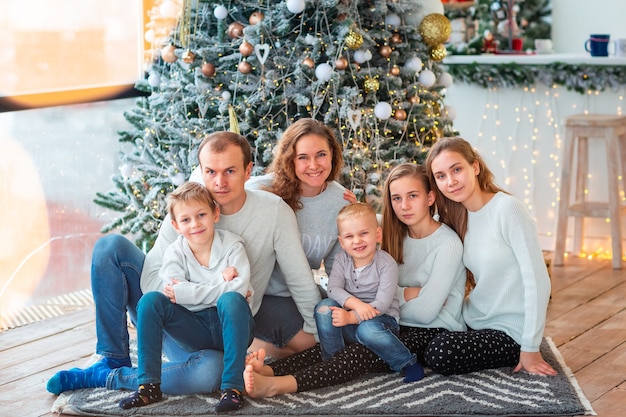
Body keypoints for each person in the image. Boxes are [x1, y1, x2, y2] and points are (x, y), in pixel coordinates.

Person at [46, 131, 321, 397]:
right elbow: (151, 279)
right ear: (201, 172)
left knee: (210, 373)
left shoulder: (273, 212)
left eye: (230, 171)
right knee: (110, 248)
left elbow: (299, 277)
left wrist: (323, 342)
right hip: (172, 316)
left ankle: (110, 378)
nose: (220, 182)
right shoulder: (189, 207)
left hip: (218, 331)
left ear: (248, 171)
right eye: (211, 172)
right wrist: (208, 290)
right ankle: (111, 358)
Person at [243, 163, 467, 397]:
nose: (405, 206)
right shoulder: (395, 232)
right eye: (396, 198)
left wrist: (368, 308)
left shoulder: (447, 244)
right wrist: (408, 292)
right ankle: (269, 370)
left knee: (358, 352)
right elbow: (362, 225)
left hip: (432, 330)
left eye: (413, 196)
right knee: (333, 338)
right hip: (379, 315)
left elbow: (425, 313)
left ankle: (277, 385)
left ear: (430, 197)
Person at [423, 136, 557, 376]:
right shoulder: (456, 215)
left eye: (457, 170)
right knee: (409, 335)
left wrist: (530, 347)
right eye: (441, 176)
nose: (451, 181)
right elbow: (416, 226)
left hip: (508, 332)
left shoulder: (507, 209)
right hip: (471, 319)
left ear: (475, 167)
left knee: (439, 353)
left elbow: (538, 281)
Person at [118, 182, 254, 412]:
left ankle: (232, 387)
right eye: (186, 220)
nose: (195, 224)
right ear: (176, 225)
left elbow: (238, 291)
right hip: (193, 328)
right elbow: (172, 292)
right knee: (150, 301)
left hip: (229, 327)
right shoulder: (175, 252)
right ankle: (148, 386)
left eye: (201, 215)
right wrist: (220, 282)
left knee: (231, 301)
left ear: (215, 214)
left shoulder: (233, 246)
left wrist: (186, 292)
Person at [244, 118, 355, 357]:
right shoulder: (259, 191)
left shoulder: (341, 201)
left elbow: (338, 269)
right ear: (289, 159)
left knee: (347, 332)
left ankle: (260, 346)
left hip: (303, 295)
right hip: (264, 295)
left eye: (321, 155)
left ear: (333, 156)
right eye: (302, 157)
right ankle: (254, 349)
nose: (313, 165)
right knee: (314, 343)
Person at [315, 202, 424, 383]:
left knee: (367, 330)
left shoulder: (386, 264)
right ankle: (334, 362)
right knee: (324, 308)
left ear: (377, 234)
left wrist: (352, 317)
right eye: (349, 236)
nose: (357, 241)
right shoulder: (342, 259)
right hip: (350, 320)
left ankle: (407, 362)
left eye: (363, 233)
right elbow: (333, 288)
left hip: (381, 322)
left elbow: (382, 304)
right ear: (341, 242)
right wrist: (355, 307)